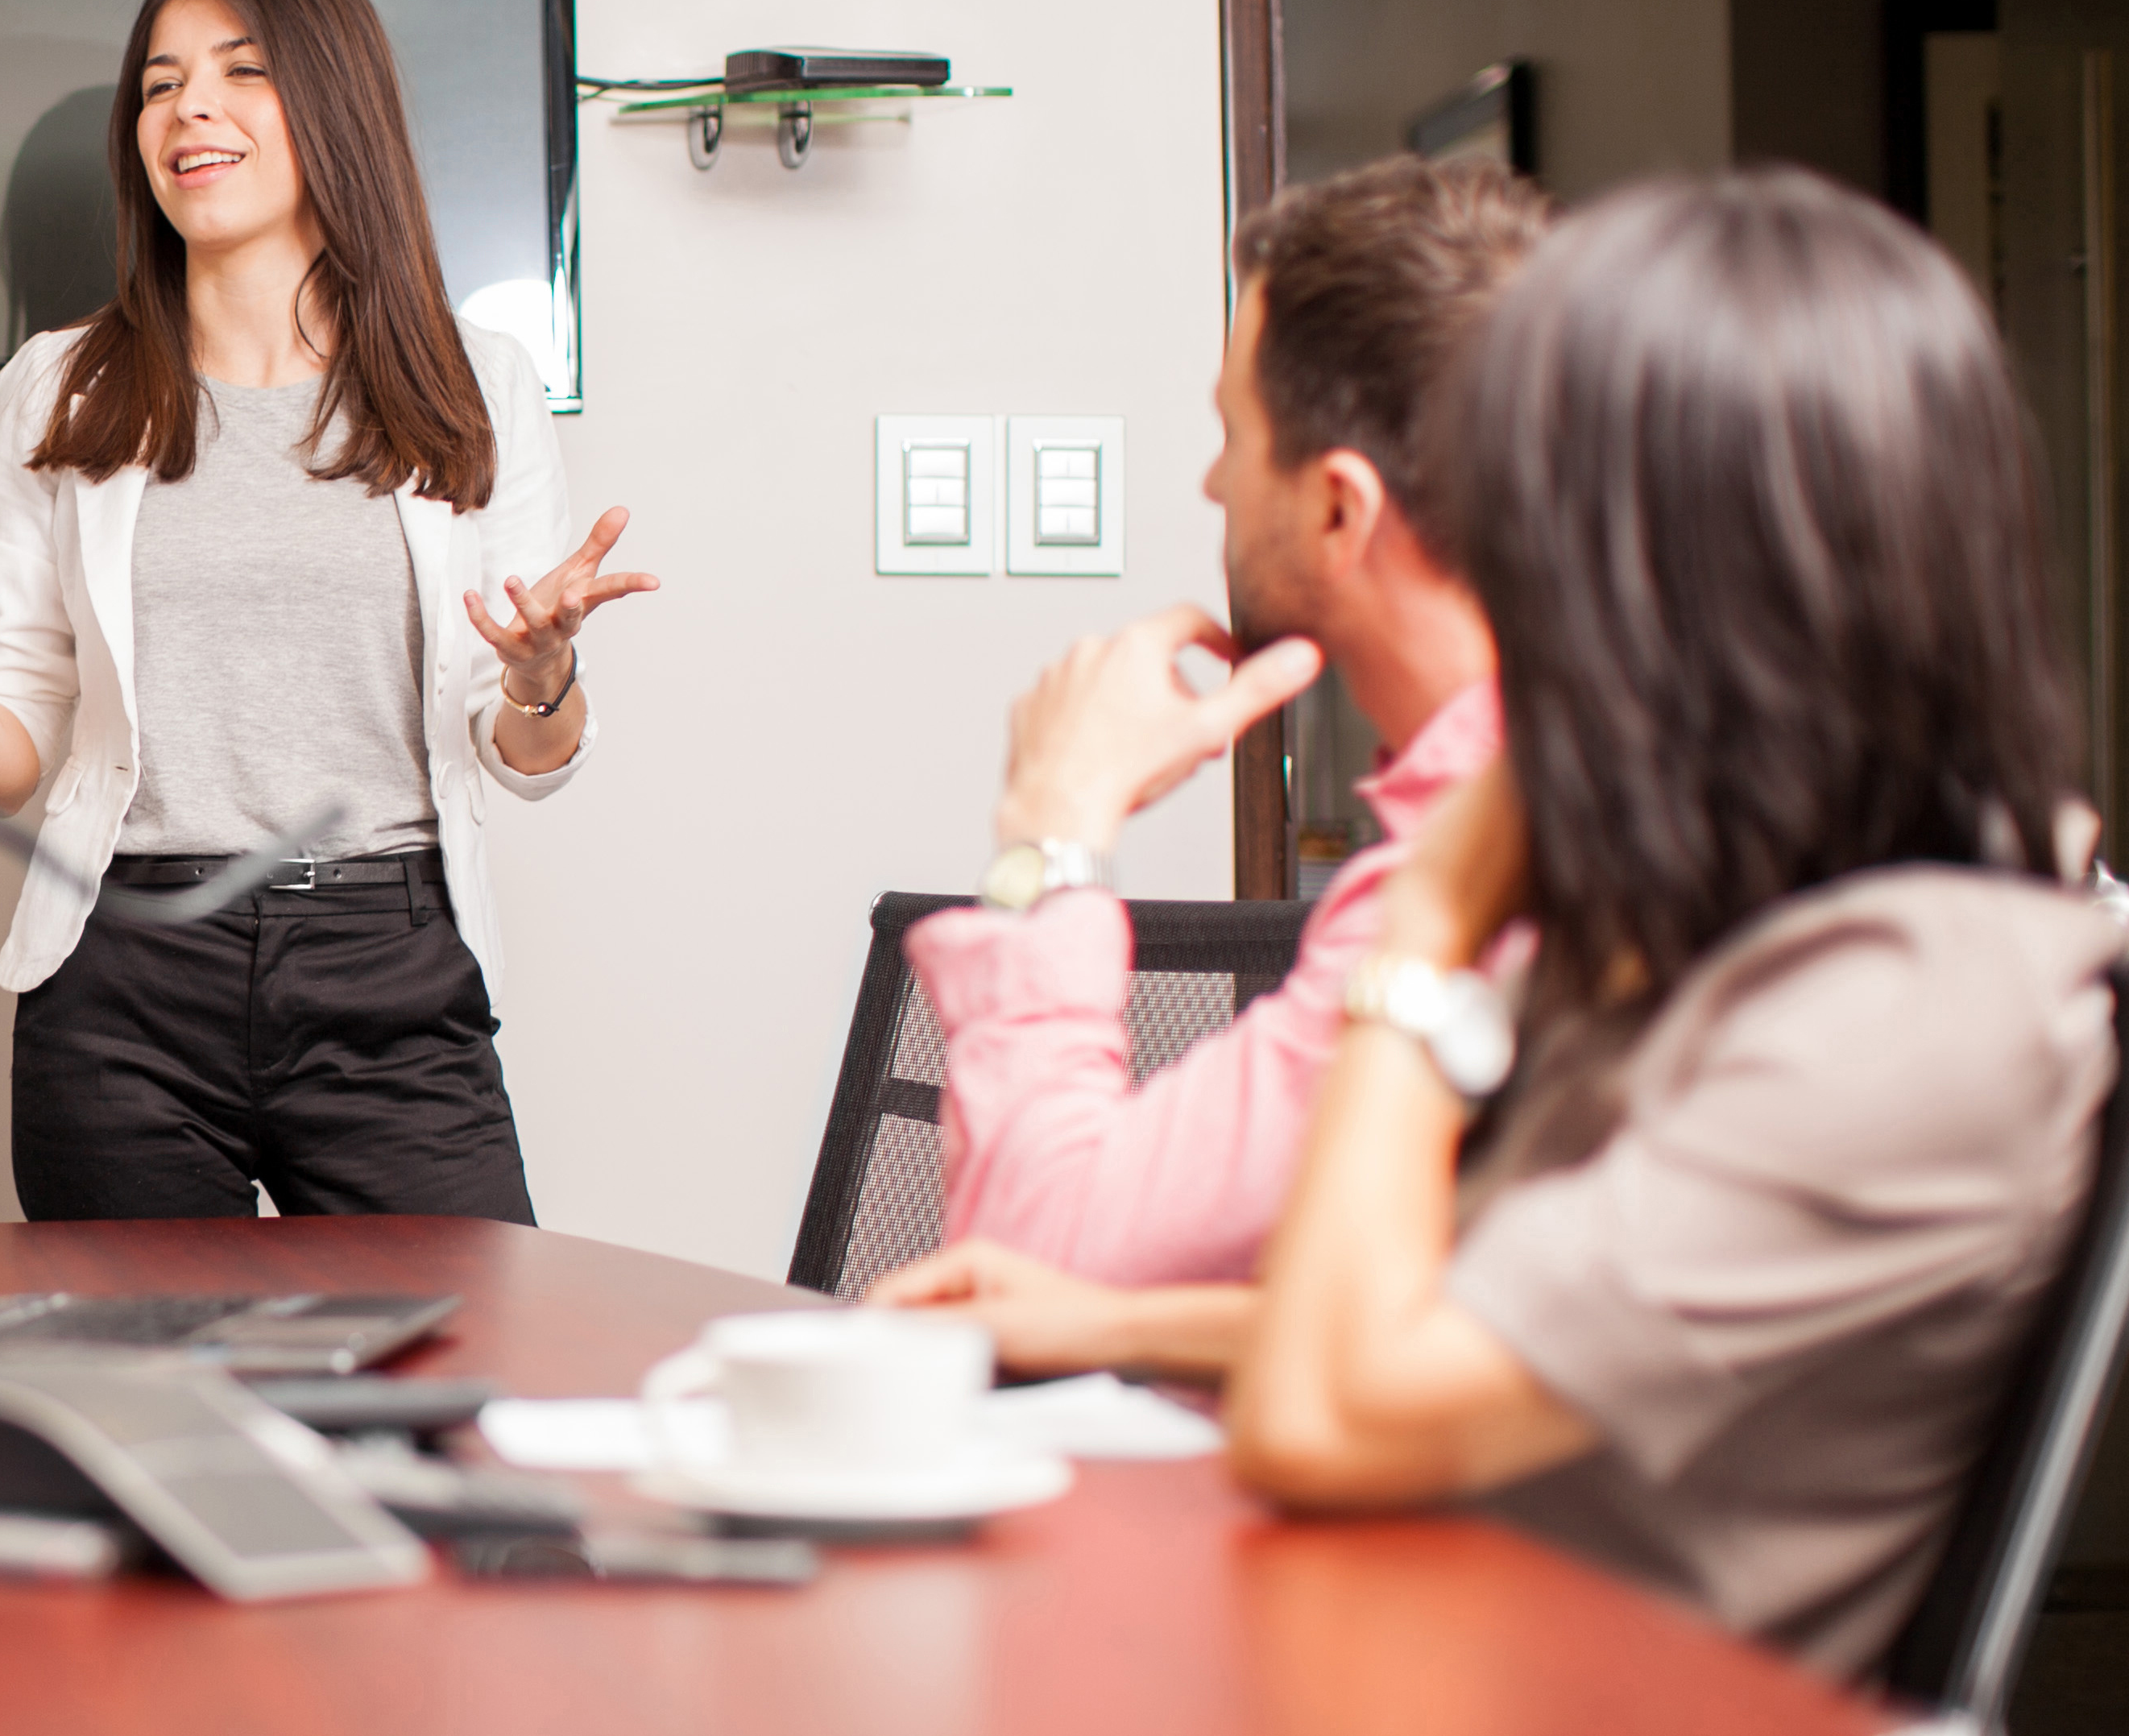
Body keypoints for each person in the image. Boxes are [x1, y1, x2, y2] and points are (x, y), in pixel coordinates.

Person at [884, 169, 2117, 1678]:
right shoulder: (1785, 929)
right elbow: (1504, 1332)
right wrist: (1116, 1323)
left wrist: (1430, 935)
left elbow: (1331, 1409)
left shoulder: (1908, 1007)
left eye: (1530, 504)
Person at [0, 0, 650, 1221]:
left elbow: (525, 749)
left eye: (240, 72)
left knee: (464, 1389)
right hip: (120, 987)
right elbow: (15, 753)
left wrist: (545, 677)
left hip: (391, 962)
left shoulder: (475, 387)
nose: (188, 107)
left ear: (335, 109)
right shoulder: (61, 385)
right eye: (160, 83)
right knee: (145, 1408)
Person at [899, 158, 1547, 1285]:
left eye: (1233, 435)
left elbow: (1034, 1265)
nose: (1211, 484)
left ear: (1339, 505)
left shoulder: (1472, 873)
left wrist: (1052, 832)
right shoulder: (1555, 789)